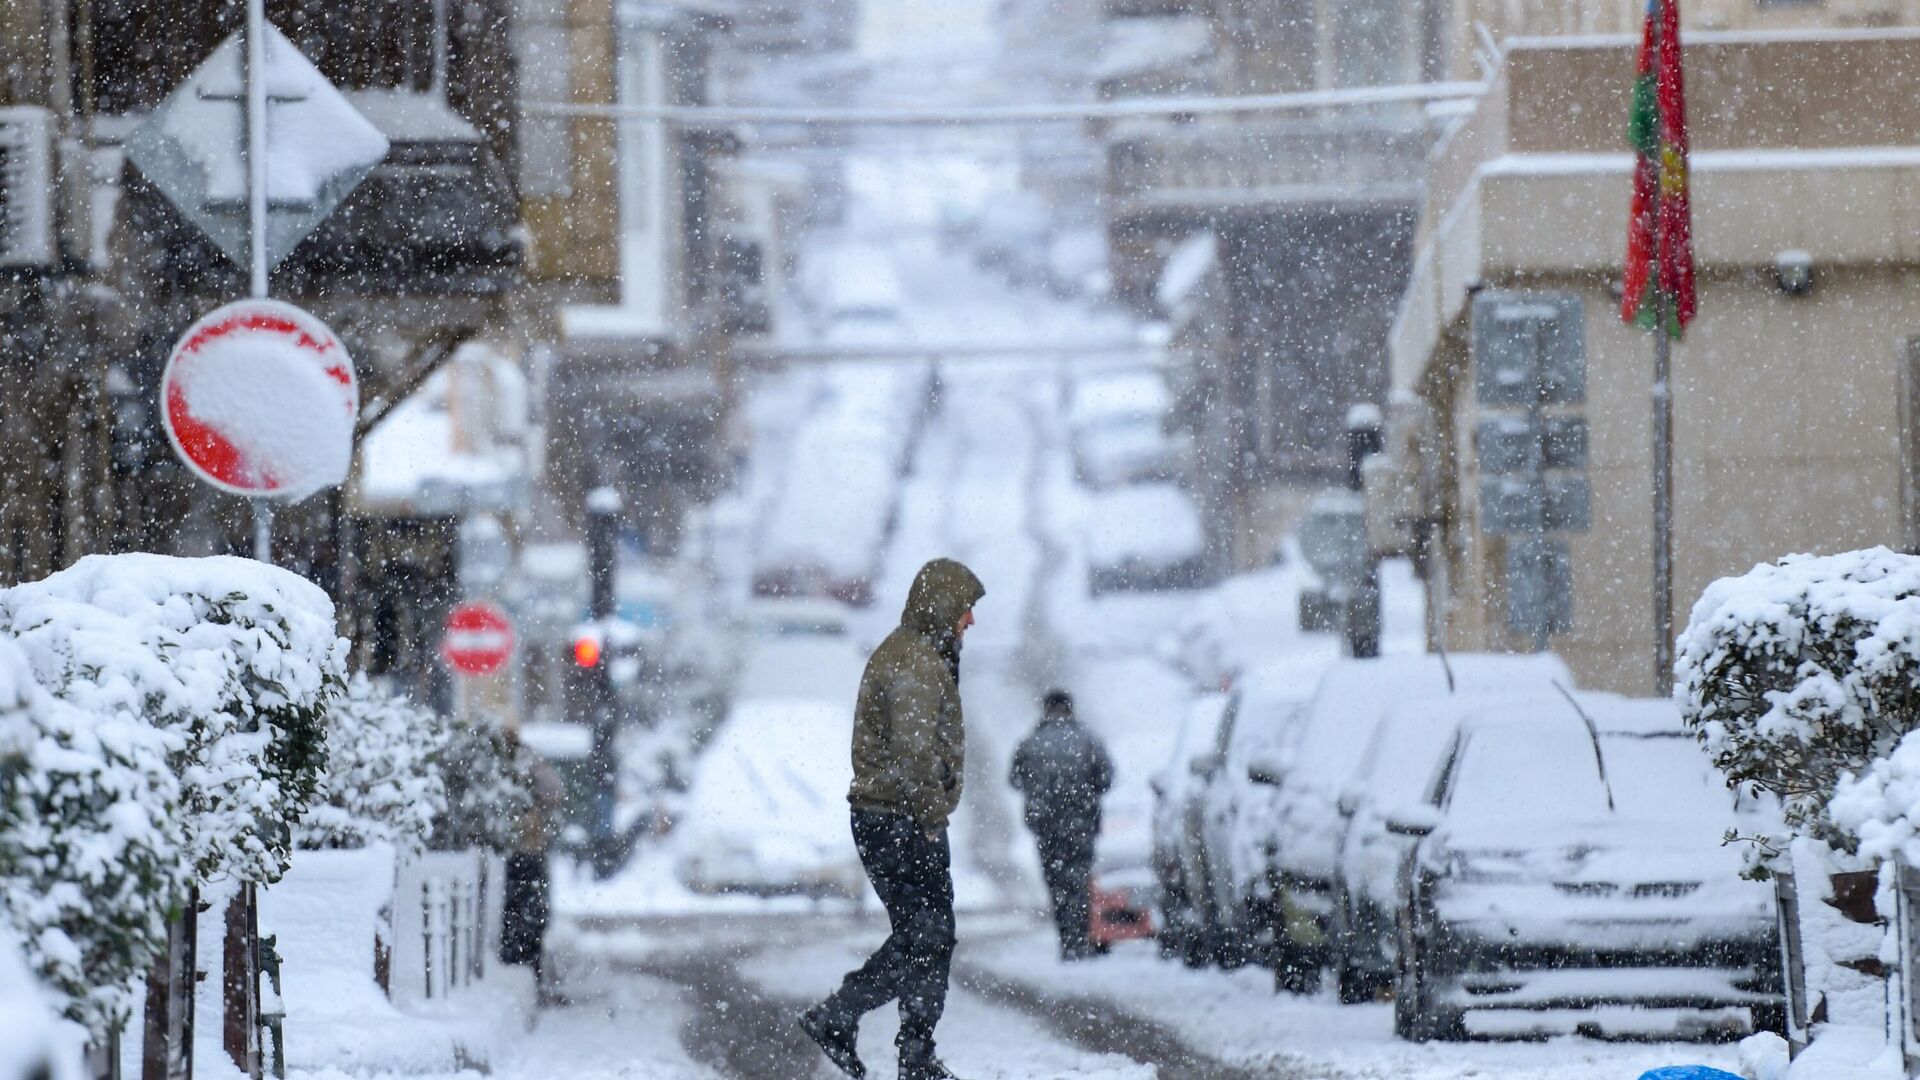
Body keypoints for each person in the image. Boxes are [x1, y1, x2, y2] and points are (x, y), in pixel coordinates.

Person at [800, 558, 985, 1080]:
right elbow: (914, 752)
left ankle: (901, 1045)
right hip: (899, 819)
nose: (970, 621)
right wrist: (930, 817)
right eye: (966, 609)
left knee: (925, 934)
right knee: (928, 934)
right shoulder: (914, 662)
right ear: (944, 606)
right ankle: (859, 1025)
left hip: (896, 816)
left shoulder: (918, 654)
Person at [1009, 689, 1113, 960]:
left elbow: (1015, 779)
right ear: (1070, 708)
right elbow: (1105, 778)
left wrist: (1041, 792)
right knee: (1080, 880)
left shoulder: (1031, 742)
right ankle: (1082, 938)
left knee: (1057, 883)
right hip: (1081, 823)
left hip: (1046, 826)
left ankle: (1068, 940)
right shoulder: (1087, 739)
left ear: (1046, 709)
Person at [499, 728, 568, 1007]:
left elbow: (555, 792)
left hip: (512, 851)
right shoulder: (528, 762)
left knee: (515, 914)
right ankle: (530, 969)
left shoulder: (495, 766)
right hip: (529, 849)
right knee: (531, 915)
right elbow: (556, 791)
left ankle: (522, 964)